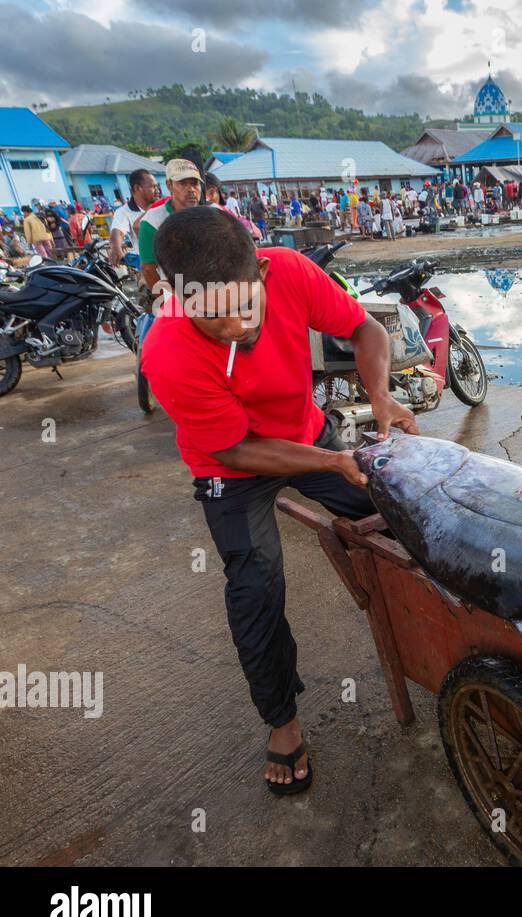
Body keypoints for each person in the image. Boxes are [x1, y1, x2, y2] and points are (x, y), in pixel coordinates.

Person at [140, 206, 417, 794]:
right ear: (175, 296)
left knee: (397, 515)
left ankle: (438, 634)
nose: (234, 326)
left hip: (306, 430)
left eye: (245, 305)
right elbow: (238, 450)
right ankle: (283, 723)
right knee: (255, 585)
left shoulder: (291, 270)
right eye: (210, 317)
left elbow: (367, 330)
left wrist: (381, 396)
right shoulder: (166, 349)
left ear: (263, 272)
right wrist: (329, 461)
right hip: (233, 465)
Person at [137, 158, 204, 301]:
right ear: (169, 185)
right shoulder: (152, 222)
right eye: (183, 183)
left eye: (194, 183)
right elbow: (148, 268)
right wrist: (164, 302)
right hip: (178, 301)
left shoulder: (209, 216)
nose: (191, 189)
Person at [108, 169, 158, 269]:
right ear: (137, 188)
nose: (157, 190)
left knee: (184, 283)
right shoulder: (124, 212)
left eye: (157, 186)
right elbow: (117, 231)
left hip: (172, 264)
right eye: (152, 186)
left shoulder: (162, 206)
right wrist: (116, 247)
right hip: (150, 268)